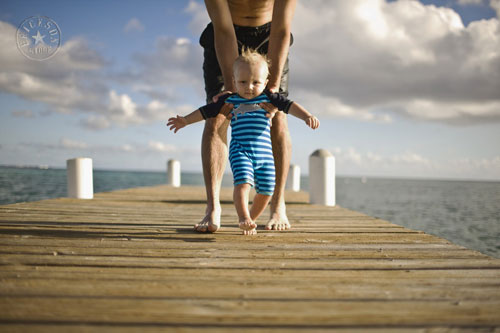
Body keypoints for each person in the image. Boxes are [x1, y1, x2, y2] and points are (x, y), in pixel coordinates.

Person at [167, 49, 319, 235]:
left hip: (265, 156)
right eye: (243, 82)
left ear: (266, 81)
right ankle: (243, 217)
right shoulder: (231, 99)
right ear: (234, 79)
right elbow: (206, 111)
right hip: (241, 151)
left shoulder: (269, 97)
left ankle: (251, 220)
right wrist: (185, 120)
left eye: (256, 82)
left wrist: (307, 116)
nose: (249, 87)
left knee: (266, 191)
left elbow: (290, 105)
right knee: (243, 184)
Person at [195, 0, 298, 233]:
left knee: (279, 115)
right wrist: (232, 92)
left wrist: (271, 92)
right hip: (226, 33)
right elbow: (222, 28)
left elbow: (281, 29)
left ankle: (277, 204)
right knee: (218, 115)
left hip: (270, 36)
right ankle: (212, 207)